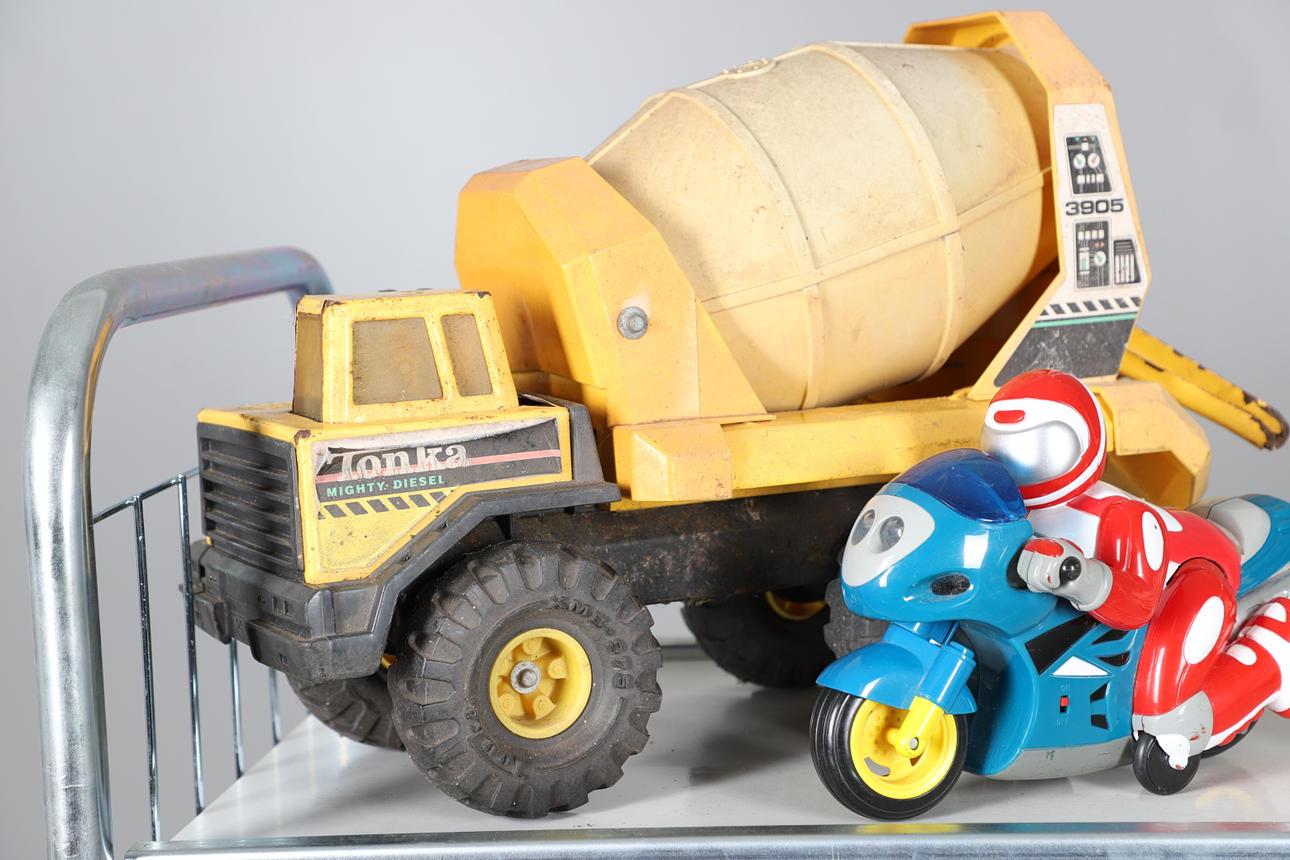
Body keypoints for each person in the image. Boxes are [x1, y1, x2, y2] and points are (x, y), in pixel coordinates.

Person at [981, 368, 1290, 771]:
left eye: (1035, 444)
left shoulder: (1118, 516)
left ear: (1079, 441)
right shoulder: (1010, 509)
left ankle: (1261, 667)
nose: (1015, 459)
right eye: (1000, 445)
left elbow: (1136, 604)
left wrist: (1078, 575)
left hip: (1194, 574)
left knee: (1163, 700)